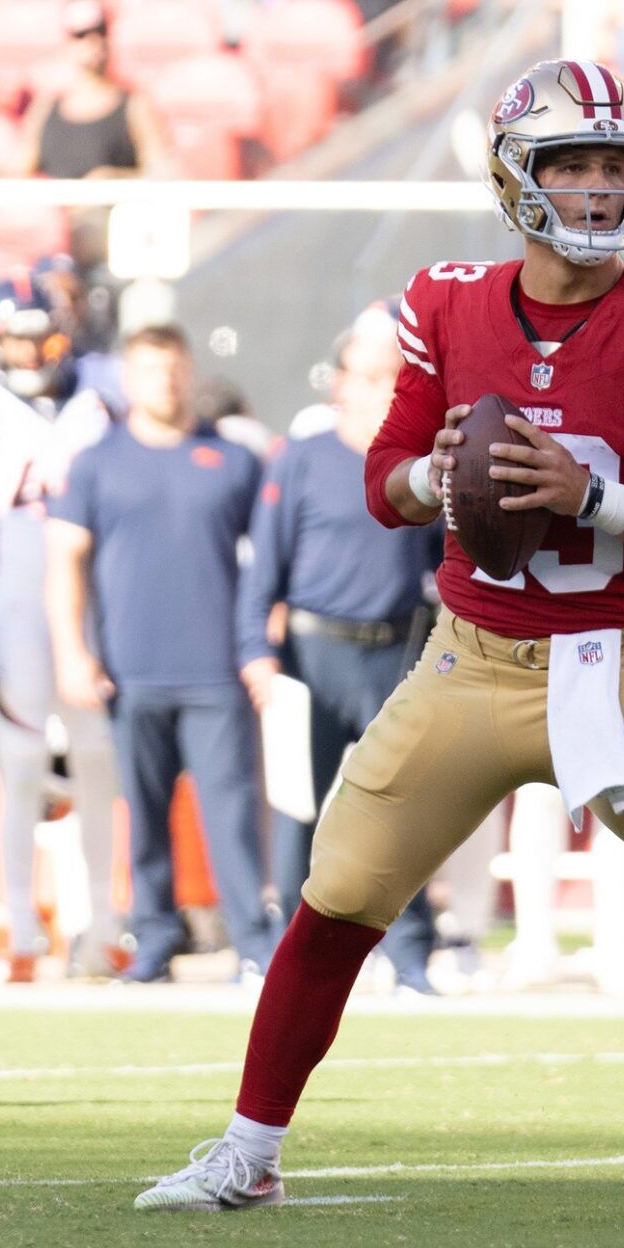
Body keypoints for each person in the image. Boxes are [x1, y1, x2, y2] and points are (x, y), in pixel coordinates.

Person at [133, 59, 624, 1222]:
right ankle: (249, 1148)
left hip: (622, 650)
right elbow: (383, 483)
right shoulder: (449, 302)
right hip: (473, 653)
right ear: (518, 175)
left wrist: (588, 492)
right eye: (573, 162)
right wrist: (437, 470)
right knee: (337, 897)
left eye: (617, 165)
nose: (601, 187)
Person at [46, 324, 276, 983]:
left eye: (174, 368)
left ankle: (252, 941)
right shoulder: (95, 461)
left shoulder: (232, 459)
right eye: (150, 370)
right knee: (142, 817)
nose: (165, 381)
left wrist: (262, 641)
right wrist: (72, 651)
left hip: (216, 670)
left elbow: (268, 562)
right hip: (130, 668)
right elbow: (65, 561)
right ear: (126, 377)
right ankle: (152, 939)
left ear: (191, 371)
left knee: (230, 814)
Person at [236, 319, 444, 995]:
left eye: (396, 376)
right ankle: (291, 962)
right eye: (372, 376)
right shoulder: (301, 459)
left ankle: (410, 956)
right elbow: (263, 566)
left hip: (397, 653)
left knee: (404, 809)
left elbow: (446, 564)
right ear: (341, 384)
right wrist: (256, 653)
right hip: (313, 653)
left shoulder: (423, 465)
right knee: (301, 811)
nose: (385, 389)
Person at [0, 274, 125, 980]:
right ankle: (18, 925)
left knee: (97, 760)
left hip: (89, 599)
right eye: (19, 333)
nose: (35, 346)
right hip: (11, 599)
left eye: (43, 330)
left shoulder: (100, 395)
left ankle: (101, 923)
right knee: (16, 765)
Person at [20, 0, 165, 181]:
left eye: (100, 31)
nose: (92, 41)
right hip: (59, 207)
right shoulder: (46, 107)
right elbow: (22, 165)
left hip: (110, 207)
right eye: (81, 34)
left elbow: (160, 169)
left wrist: (115, 180)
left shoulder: (134, 105)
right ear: (67, 41)